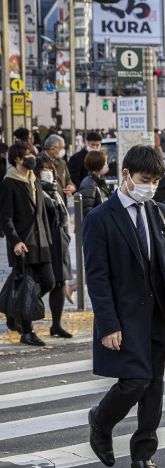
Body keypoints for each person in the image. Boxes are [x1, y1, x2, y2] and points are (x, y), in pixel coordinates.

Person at [83, 145, 165, 468]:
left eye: (157, 180)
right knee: (136, 381)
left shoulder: (159, 212)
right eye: (146, 179)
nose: (151, 186)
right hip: (126, 315)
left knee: (155, 387)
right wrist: (108, 323)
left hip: (160, 313)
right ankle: (101, 420)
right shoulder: (100, 218)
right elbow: (97, 277)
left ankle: (144, 456)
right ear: (126, 175)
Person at [0, 143, 56, 346]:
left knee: (49, 281)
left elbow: (41, 211)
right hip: (23, 243)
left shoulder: (34, 179)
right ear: (17, 158)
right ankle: (27, 331)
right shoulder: (9, 182)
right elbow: (5, 217)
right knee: (26, 287)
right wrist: (15, 241)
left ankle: (15, 309)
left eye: (33, 153)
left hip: (41, 241)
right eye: (28, 154)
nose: (33, 157)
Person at [35, 156, 74, 338]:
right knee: (45, 281)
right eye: (43, 169)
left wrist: (66, 236)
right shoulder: (36, 191)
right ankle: (21, 315)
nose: (48, 172)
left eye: (50, 169)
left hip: (60, 240)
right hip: (44, 242)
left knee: (59, 282)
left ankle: (56, 324)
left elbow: (63, 216)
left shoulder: (55, 191)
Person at [39, 135, 74, 206]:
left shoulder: (62, 162)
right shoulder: (38, 161)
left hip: (61, 202)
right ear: (52, 149)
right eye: (62, 148)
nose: (64, 150)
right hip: (46, 203)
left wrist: (71, 186)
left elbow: (68, 179)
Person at [78, 151, 111, 218]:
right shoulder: (89, 183)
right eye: (105, 163)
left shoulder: (98, 181)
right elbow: (88, 211)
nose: (107, 165)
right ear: (98, 165)